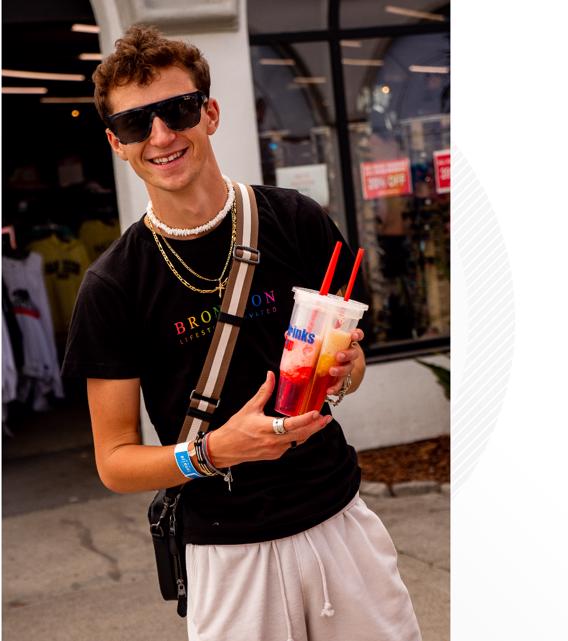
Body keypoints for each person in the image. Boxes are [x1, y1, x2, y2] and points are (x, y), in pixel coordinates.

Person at [61, 24, 422, 641]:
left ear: (211, 111)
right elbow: (115, 462)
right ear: (116, 144)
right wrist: (212, 452)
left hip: (339, 522)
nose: (161, 136)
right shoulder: (113, 285)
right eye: (134, 125)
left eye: (177, 110)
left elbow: (352, 363)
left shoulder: (295, 220)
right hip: (228, 553)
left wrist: (345, 373)